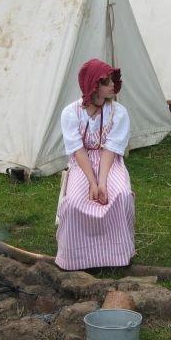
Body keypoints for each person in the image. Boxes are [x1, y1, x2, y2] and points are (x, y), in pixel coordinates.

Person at [55, 58, 135, 270]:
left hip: (109, 161)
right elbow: (77, 150)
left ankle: (116, 255)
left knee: (121, 195)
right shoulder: (70, 113)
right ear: (93, 85)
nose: (112, 86)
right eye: (106, 82)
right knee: (73, 202)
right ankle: (76, 258)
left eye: (112, 81)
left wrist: (102, 182)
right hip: (82, 163)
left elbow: (111, 149)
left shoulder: (119, 112)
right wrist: (92, 182)